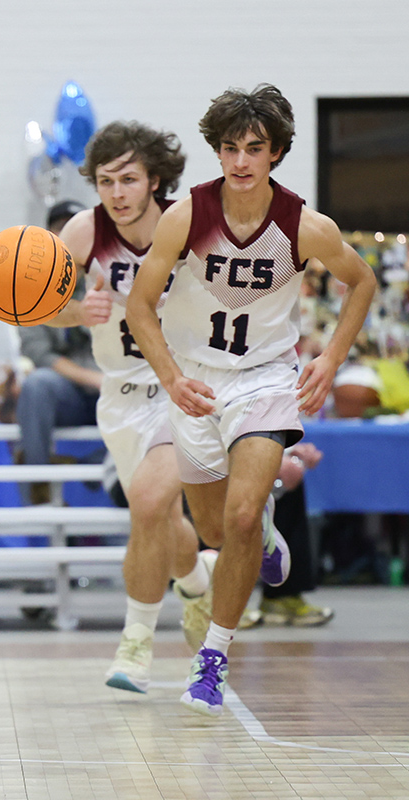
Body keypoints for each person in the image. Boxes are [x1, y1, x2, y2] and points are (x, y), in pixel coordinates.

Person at [125, 84, 376, 717]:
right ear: (217, 152)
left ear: (277, 153)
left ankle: (213, 656)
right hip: (198, 381)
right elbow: (139, 305)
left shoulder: (304, 224)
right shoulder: (185, 217)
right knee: (215, 529)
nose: (241, 161)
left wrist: (331, 356)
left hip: (266, 377)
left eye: (254, 149)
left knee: (236, 518)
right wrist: (172, 376)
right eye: (230, 148)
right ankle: (262, 533)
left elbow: (361, 281)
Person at [49, 121, 216, 694]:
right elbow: (32, 308)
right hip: (120, 397)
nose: (116, 192)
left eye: (128, 179)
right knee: (162, 523)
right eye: (105, 181)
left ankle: (136, 645)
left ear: (154, 180)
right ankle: (197, 586)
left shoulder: (189, 225)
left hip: (183, 389)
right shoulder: (82, 230)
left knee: (146, 503)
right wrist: (76, 312)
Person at [15, 199, 103, 505]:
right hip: (73, 391)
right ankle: (37, 482)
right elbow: (39, 353)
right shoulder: (28, 286)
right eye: (59, 228)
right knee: (37, 384)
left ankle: (94, 466)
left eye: (74, 226)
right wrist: (94, 379)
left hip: (114, 387)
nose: (68, 235)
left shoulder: (110, 272)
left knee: (148, 392)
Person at [241, 443, 333, 627]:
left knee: (289, 477)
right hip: (205, 452)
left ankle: (281, 595)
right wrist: (264, 458)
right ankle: (215, 602)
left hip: (246, 445)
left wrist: (289, 450)